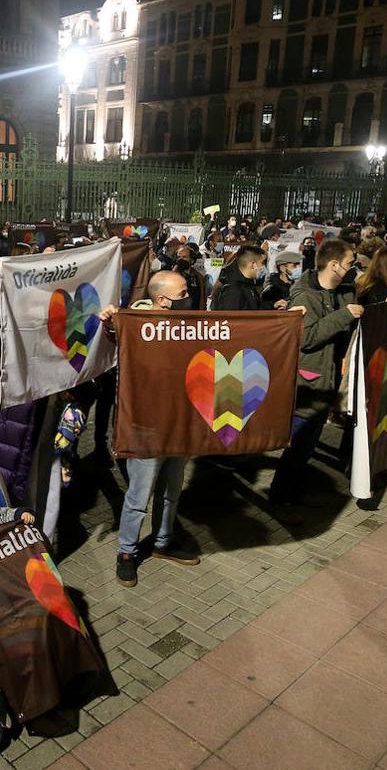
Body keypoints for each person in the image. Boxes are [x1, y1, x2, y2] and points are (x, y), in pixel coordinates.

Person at [98, 271, 202, 587]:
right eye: (183, 292)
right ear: (161, 300)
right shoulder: (135, 323)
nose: (189, 296)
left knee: (171, 489)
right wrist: (109, 322)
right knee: (139, 494)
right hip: (147, 426)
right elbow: (113, 336)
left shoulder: (189, 323)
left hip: (180, 421)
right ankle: (127, 553)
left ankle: (162, 542)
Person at [273, 238, 364, 523]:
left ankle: (294, 492)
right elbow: (306, 338)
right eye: (350, 263)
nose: (354, 268)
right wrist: (342, 316)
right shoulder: (306, 298)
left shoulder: (344, 292)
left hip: (329, 379)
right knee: (297, 446)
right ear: (335, 265)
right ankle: (279, 499)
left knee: (308, 445)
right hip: (309, 383)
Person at [210, 245, 267, 310]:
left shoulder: (248, 285)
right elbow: (230, 318)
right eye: (262, 263)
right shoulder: (233, 291)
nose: (264, 267)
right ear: (253, 264)